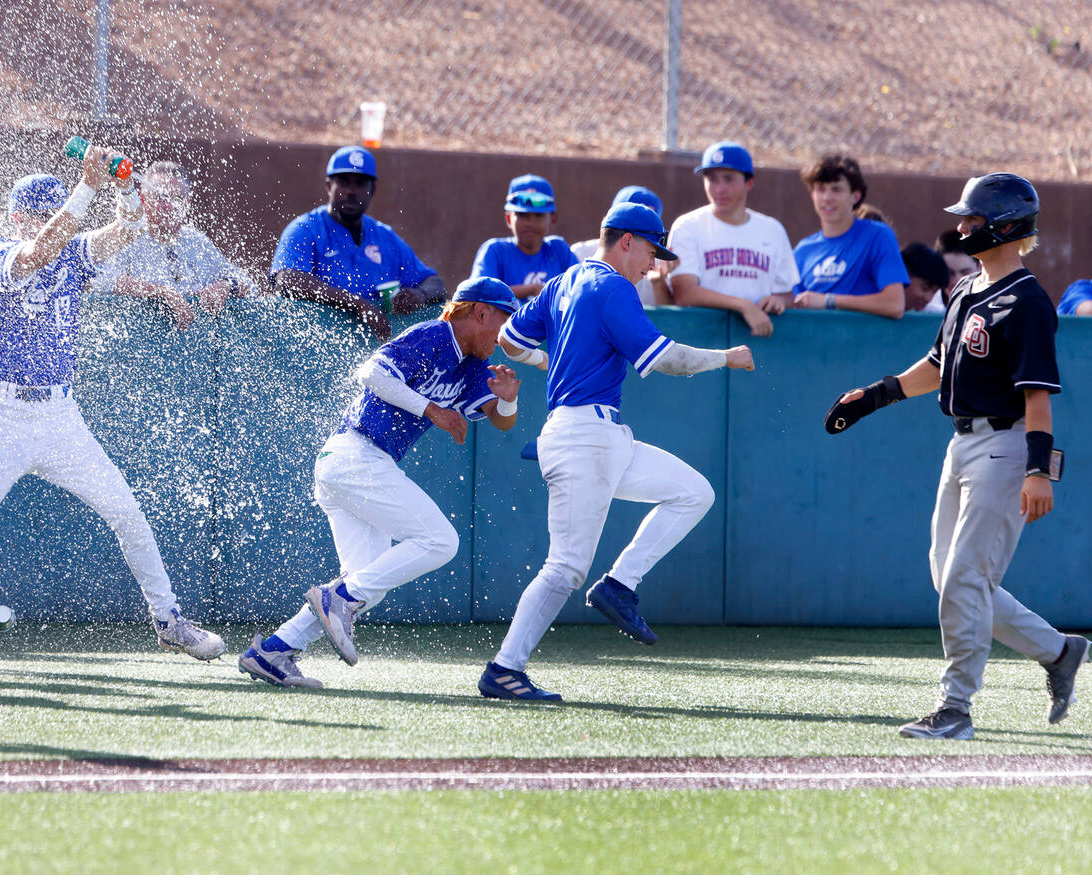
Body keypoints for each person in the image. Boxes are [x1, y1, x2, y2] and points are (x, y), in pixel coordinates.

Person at [823, 172, 1090, 740]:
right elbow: (939, 364)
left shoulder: (1028, 301)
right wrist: (877, 395)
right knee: (950, 577)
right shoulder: (966, 288)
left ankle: (956, 708)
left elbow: (1037, 395)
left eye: (973, 218)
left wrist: (1039, 469)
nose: (962, 226)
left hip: (1008, 445)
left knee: (965, 578)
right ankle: (1059, 651)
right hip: (963, 442)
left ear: (1006, 226)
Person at [0, 152, 226, 671]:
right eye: (39, 213)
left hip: (58, 417)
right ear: (17, 218)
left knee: (127, 513)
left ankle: (168, 620)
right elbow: (40, 249)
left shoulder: (75, 253)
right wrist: (83, 190)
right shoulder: (2, 253)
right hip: (0, 415)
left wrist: (123, 186)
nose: (48, 221)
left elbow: (126, 229)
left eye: (52, 211)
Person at [477, 202, 755, 701]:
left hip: (603, 438)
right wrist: (725, 358)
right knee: (563, 568)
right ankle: (504, 669)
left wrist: (550, 359)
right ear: (626, 240)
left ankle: (620, 585)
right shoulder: (612, 286)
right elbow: (665, 359)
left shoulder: (563, 281)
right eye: (651, 249)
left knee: (694, 493)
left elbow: (507, 338)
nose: (654, 265)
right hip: (584, 439)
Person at [239, 277, 523, 687]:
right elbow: (370, 372)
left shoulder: (473, 365)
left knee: (367, 583)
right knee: (441, 541)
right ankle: (336, 600)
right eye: (504, 319)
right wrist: (432, 410)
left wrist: (509, 396)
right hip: (356, 456)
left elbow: (500, 417)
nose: (503, 336)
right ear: (481, 312)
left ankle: (273, 651)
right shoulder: (435, 334)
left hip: (351, 466)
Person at [270, 145, 446, 342]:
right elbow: (287, 280)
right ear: (329, 186)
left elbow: (436, 283)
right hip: (312, 349)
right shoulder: (306, 229)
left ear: (373, 190)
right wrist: (356, 304)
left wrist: (419, 294)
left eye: (360, 183)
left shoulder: (384, 237)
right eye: (343, 182)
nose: (351, 191)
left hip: (376, 353)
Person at [90, 161, 256, 329]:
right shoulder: (127, 237)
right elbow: (99, 280)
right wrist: (159, 292)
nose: (168, 205)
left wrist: (226, 286)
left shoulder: (197, 242)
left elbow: (249, 285)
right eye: (160, 197)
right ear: (143, 199)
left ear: (188, 202)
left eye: (177, 198)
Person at [665, 142, 799, 338]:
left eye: (729, 179)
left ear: (749, 183)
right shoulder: (688, 226)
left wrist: (779, 301)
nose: (720, 188)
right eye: (712, 179)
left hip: (758, 338)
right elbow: (685, 293)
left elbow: (787, 295)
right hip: (701, 338)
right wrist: (744, 306)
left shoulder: (772, 230)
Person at [792, 154, 907, 319]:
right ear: (812, 195)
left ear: (855, 195)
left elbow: (894, 305)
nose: (827, 197)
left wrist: (829, 300)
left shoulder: (877, 236)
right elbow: (793, 305)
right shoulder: (803, 250)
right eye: (820, 189)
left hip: (865, 343)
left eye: (836, 189)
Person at [470, 174, 578, 301]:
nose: (530, 223)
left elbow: (582, 289)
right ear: (509, 218)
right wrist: (532, 289)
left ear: (553, 219)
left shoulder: (559, 250)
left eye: (538, 216)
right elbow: (476, 294)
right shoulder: (494, 251)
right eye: (522, 215)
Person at [571, 185, 672, 308]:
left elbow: (673, 322)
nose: (652, 264)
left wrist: (658, 284)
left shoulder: (660, 266)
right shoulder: (579, 254)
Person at [900, 242, 949, 314]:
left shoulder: (934, 316)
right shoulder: (880, 307)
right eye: (924, 288)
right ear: (904, 274)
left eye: (934, 292)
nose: (928, 298)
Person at [935, 229, 979, 296]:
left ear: (980, 268)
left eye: (965, 272)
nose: (957, 281)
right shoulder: (923, 305)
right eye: (949, 273)